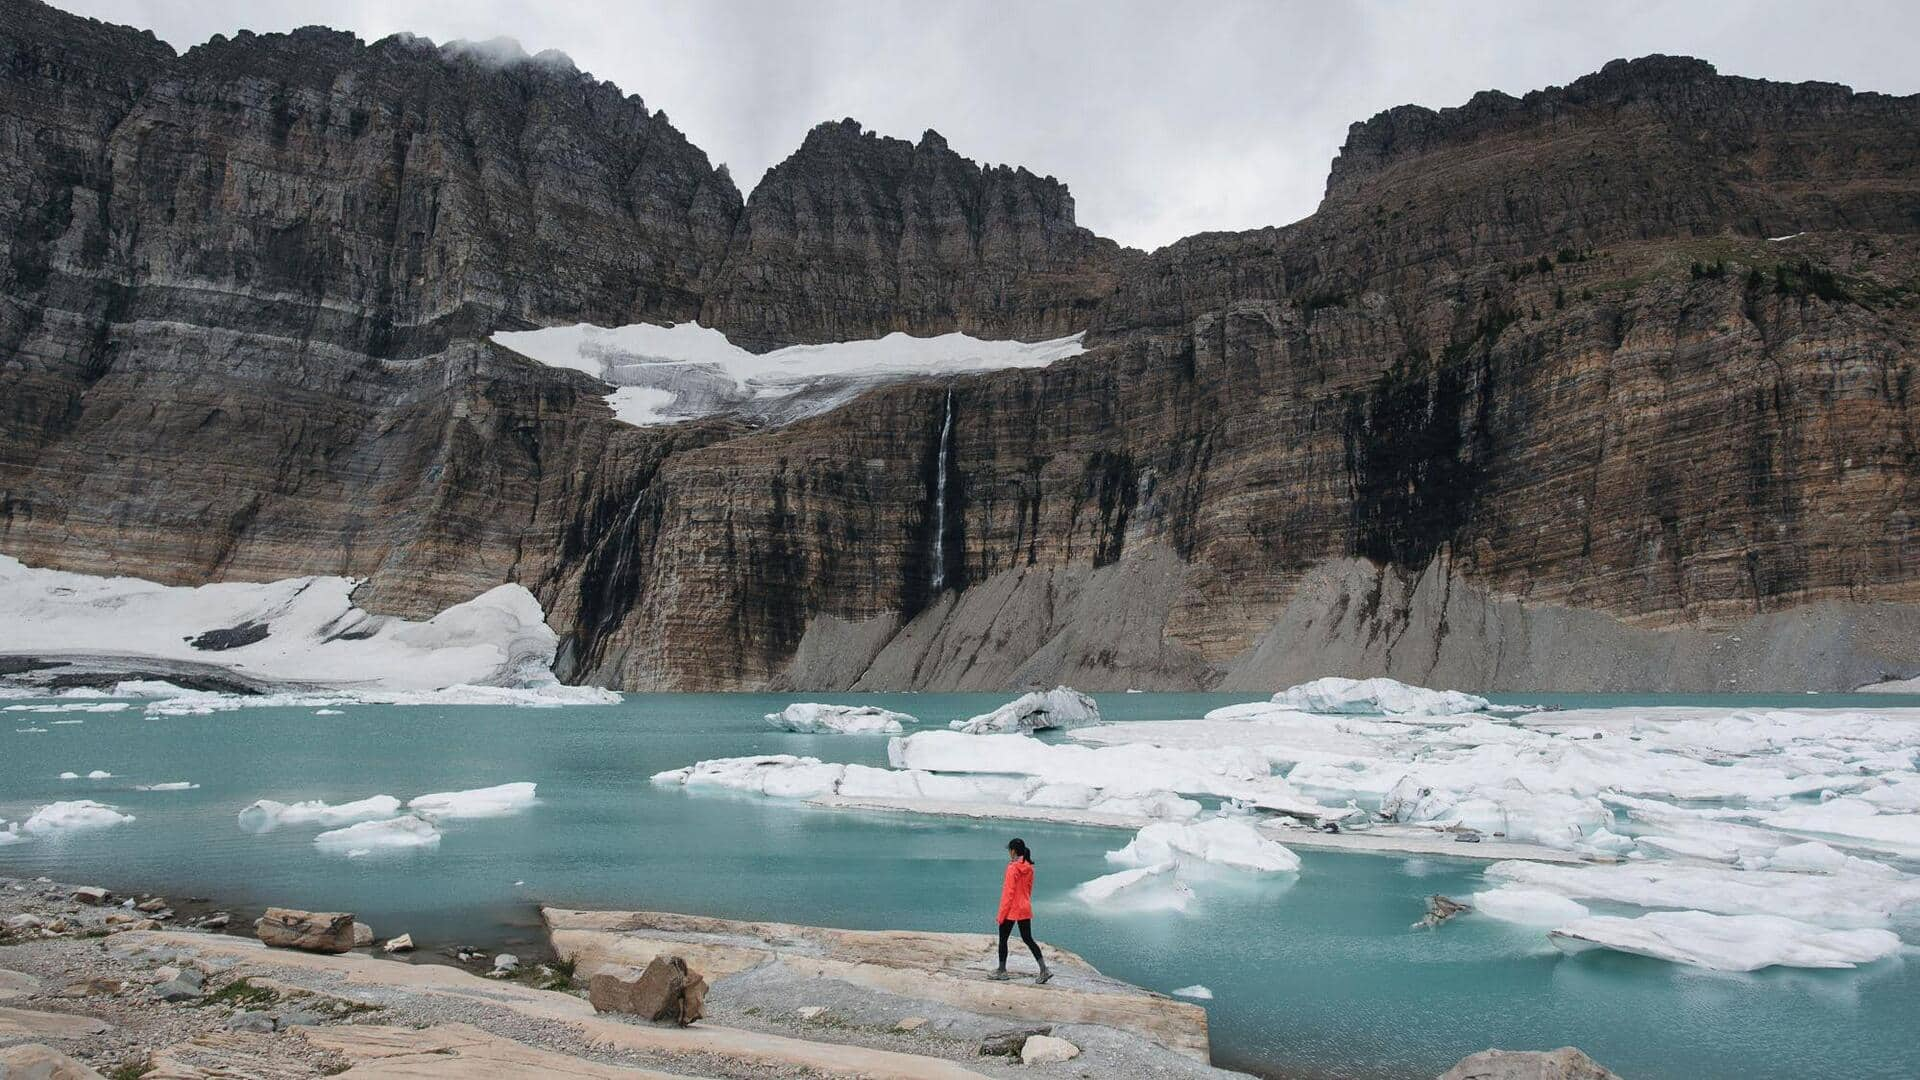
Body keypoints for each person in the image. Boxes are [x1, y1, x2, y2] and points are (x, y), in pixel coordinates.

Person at [992, 837, 1051, 983]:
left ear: (1013, 851)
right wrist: (1024, 902)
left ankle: (1002, 971)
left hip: (1012, 909)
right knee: (1028, 938)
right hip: (1024, 906)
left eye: (1009, 850)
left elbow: (1008, 893)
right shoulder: (1029, 867)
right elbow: (1028, 889)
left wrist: (1001, 914)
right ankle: (1044, 969)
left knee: (1003, 939)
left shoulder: (1013, 868)